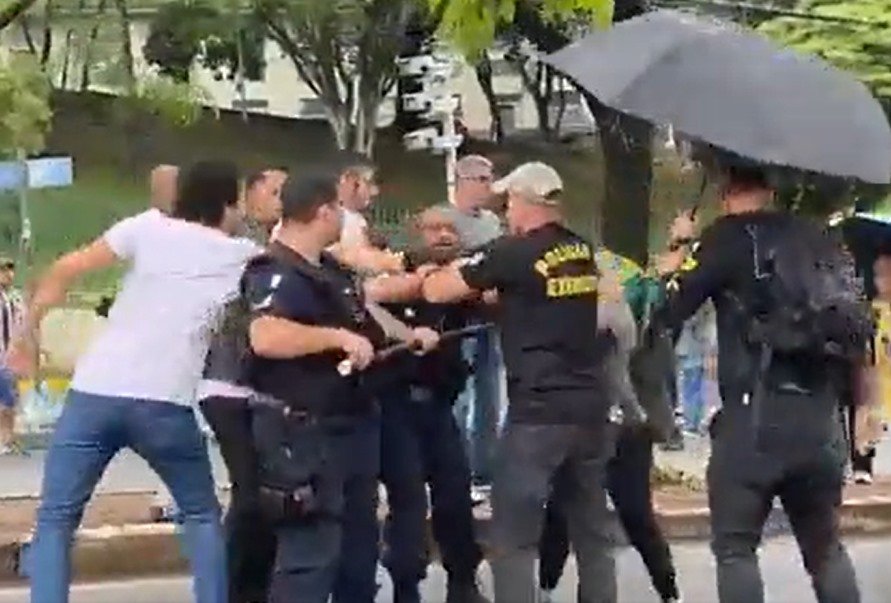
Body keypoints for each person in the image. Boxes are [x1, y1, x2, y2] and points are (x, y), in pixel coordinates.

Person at [9, 160, 259, 603]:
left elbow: (65, 268)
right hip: (164, 403)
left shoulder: (145, 228)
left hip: (94, 393)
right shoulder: (242, 256)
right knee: (201, 515)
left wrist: (27, 332)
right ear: (227, 204)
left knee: (55, 520)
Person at [651, 162, 865, 603]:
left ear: (725, 191)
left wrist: (677, 248)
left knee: (735, 548)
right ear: (770, 189)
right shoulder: (817, 238)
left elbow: (668, 311)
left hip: (754, 418)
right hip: (820, 418)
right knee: (824, 548)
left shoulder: (724, 238)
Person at [423, 161, 619, 603]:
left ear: (526, 202)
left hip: (539, 411)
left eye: (510, 202)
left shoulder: (514, 252)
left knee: (513, 539)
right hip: (590, 408)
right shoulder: (580, 250)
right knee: (592, 536)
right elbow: (542, 297)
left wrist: (435, 271)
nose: (507, 211)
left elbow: (439, 291)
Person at [242, 172, 437, 603]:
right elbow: (266, 335)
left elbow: (363, 315)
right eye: (339, 211)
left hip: (356, 423)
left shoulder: (332, 271)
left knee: (357, 553)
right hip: (305, 432)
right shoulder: (275, 271)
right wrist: (337, 339)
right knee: (311, 556)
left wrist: (408, 337)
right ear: (324, 211)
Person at [537, 258, 682, 603]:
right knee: (560, 512)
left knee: (634, 513)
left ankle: (668, 589)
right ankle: (545, 586)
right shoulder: (570, 315)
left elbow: (604, 328)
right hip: (581, 424)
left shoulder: (611, 314)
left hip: (622, 425)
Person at [364, 206, 487, 603]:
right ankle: (406, 586)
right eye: (433, 229)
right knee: (408, 498)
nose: (443, 236)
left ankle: (462, 582)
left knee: (454, 492)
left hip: (438, 405)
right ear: (414, 234)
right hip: (395, 404)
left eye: (450, 228)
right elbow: (370, 295)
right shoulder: (388, 278)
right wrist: (419, 282)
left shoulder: (460, 280)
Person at [196, 167, 287, 603]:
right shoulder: (244, 245)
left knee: (266, 493)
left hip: (266, 389)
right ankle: (236, 590)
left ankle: (258, 585)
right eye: (274, 191)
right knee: (251, 493)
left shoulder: (284, 240)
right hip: (228, 384)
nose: (283, 199)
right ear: (247, 197)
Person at [439, 154, 504, 490]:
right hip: (461, 318)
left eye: (490, 178)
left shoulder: (493, 221)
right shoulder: (446, 219)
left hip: (490, 318)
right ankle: (456, 464)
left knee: (490, 395)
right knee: (461, 396)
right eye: (482, 179)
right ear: (462, 181)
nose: (488, 186)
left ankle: (485, 466)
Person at [850, 251, 891, 484]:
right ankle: (862, 464)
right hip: (876, 386)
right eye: (879, 274)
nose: (883, 280)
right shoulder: (870, 312)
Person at [0, 256, 23, 454]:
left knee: (9, 400)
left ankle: (7, 438)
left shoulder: (15, 298)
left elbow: (22, 325)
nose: (8, 274)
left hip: (9, 357)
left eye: (10, 270)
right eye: (3, 270)